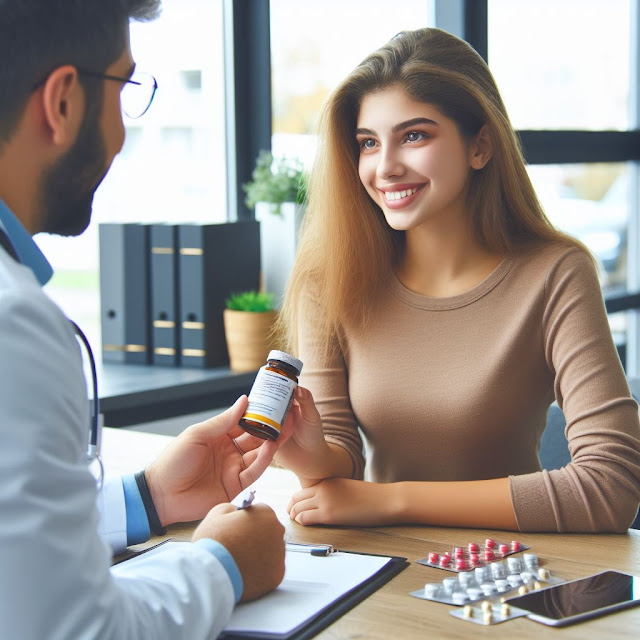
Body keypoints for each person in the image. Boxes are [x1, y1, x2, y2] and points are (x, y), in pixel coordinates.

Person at [0, 2, 309, 637]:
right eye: (124, 88)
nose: (121, 130)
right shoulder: (15, 328)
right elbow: (74, 629)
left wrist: (149, 498)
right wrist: (223, 565)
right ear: (61, 103)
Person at [273, 27, 640, 533]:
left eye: (415, 135)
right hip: (378, 567)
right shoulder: (329, 281)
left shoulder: (555, 274)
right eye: (368, 143)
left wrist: (395, 501)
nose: (385, 168)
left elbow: (610, 487)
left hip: (513, 566)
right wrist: (310, 453)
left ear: (481, 146)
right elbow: (339, 470)